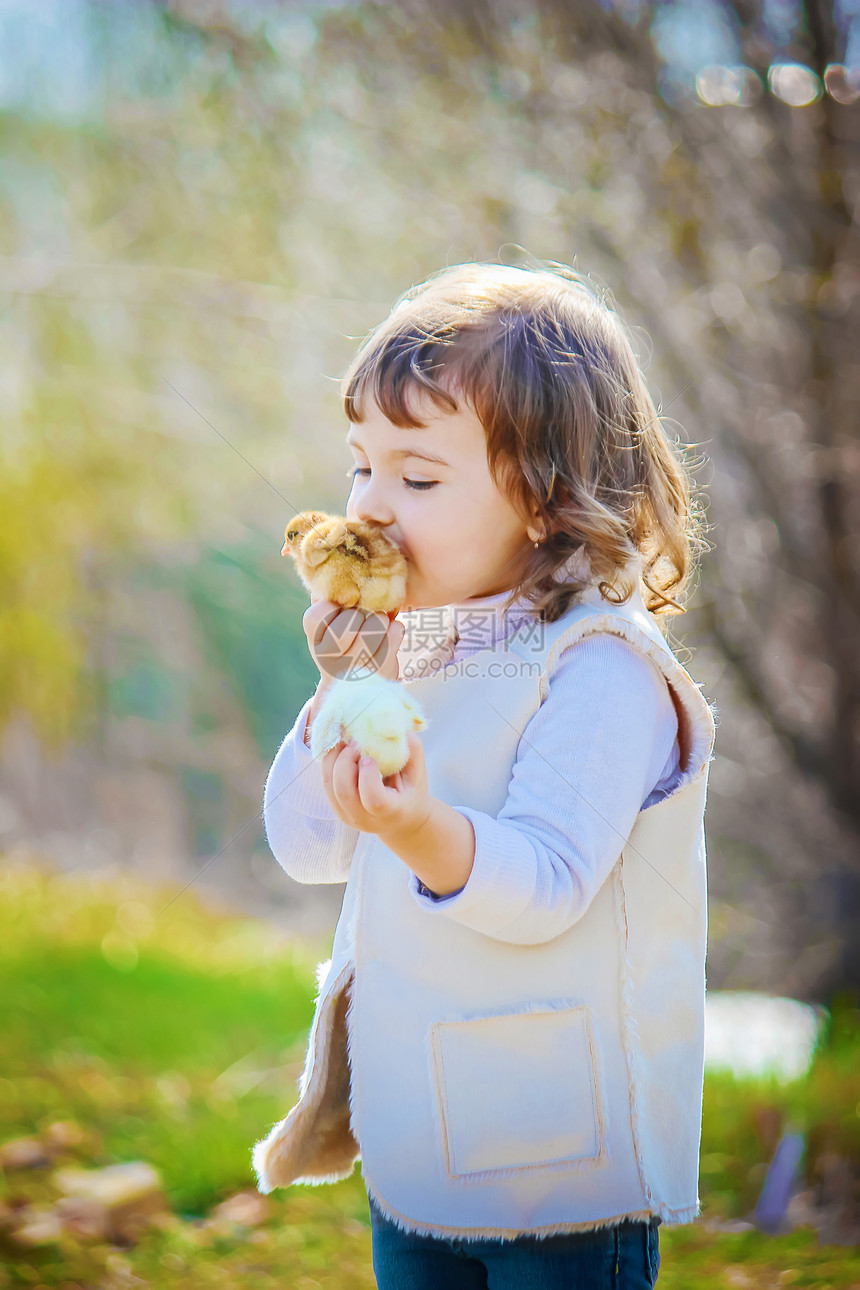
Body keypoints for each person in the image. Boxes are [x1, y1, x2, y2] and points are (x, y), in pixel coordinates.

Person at [253, 261, 717, 1290]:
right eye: (359, 467)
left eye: (416, 479)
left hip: (561, 1173)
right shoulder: (409, 648)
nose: (370, 509)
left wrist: (420, 829)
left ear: (547, 503)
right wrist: (339, 686)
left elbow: (547, 882)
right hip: (416, 1146)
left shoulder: (599, 668)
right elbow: (306, 846)